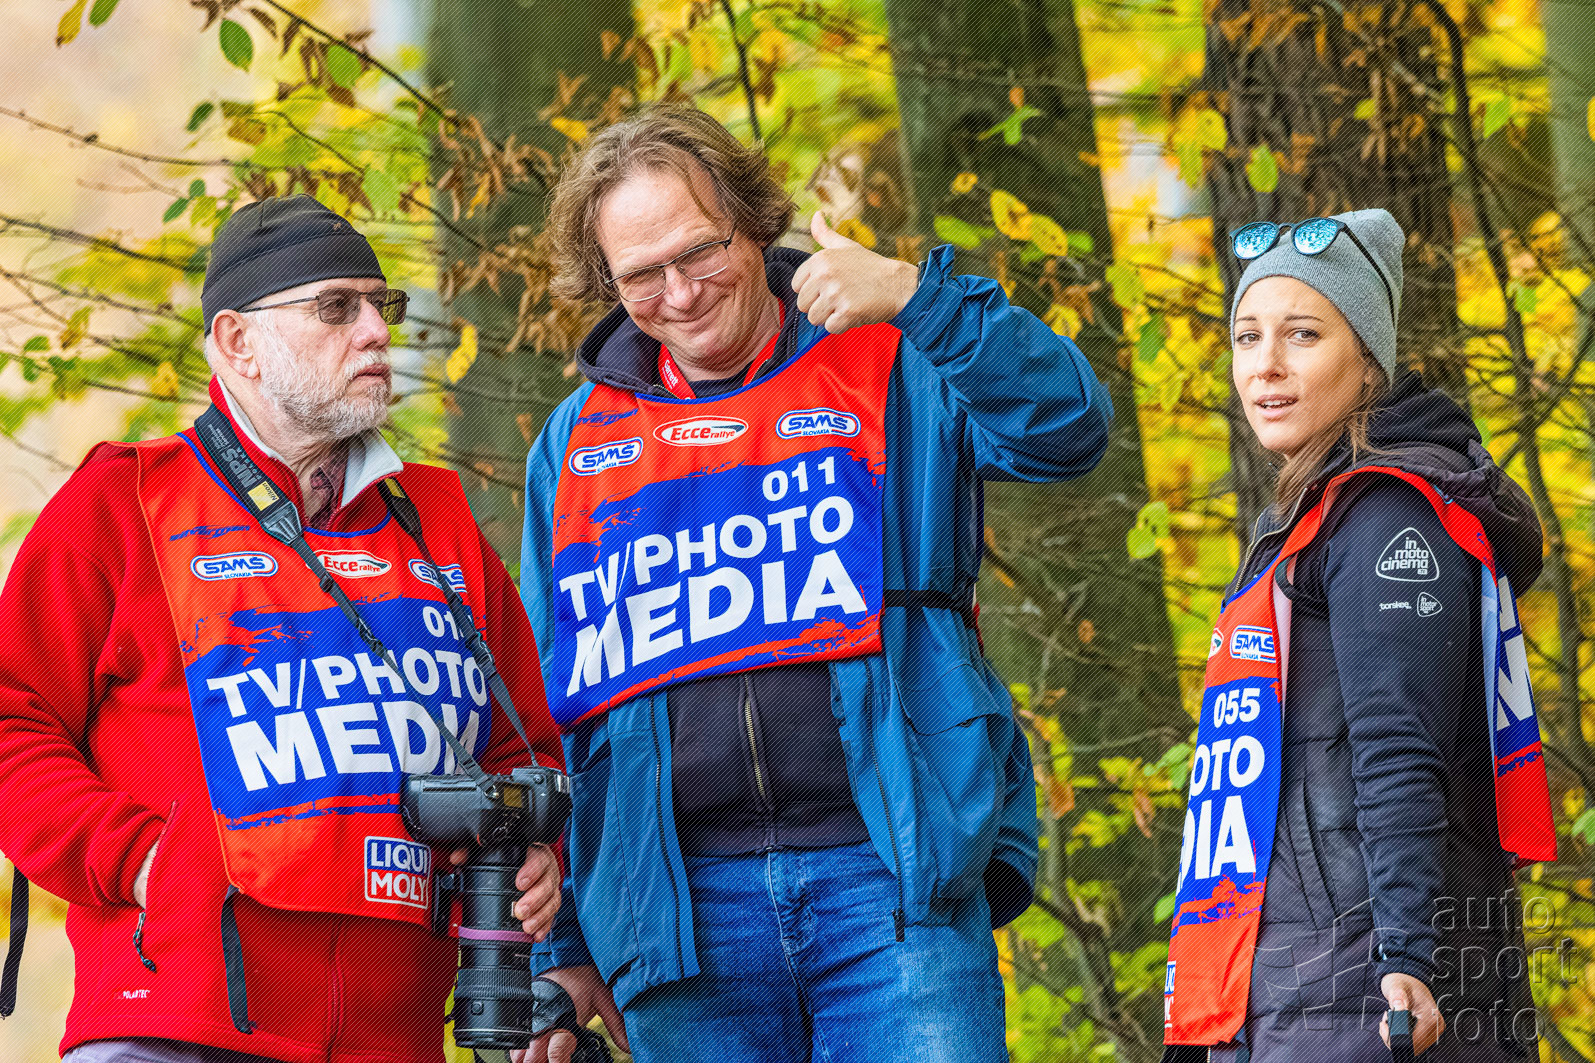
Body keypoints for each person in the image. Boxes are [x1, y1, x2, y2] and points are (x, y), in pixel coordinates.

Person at [515, 105, 1112, 1063]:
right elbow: (554, 703)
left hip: (890, 879)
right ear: (606, 281)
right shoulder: (574, 441)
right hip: (678, 917)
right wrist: (566, 942)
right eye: (641, 275)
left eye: (699, 250)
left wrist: (919, 297)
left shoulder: (893, 358)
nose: (679, 292)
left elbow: (1067, 428)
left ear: (754, 224)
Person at [0, 195, 567, 1063]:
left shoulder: (440, 521)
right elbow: (12, 720)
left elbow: (520, 750)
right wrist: (138, 859)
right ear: (238, 343)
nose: (375, 331)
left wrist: (536, 851)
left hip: (397, 1038)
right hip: (174, 1026)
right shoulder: (124, 502)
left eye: (381, 305)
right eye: (337, 307)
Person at [1161, 209, 1557, 1062]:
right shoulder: (1305, 520)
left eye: (1302, 334)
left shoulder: (1384, 516)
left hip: (1364, 989)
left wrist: (1404, 957)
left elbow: (1397, 745)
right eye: (1246, 336)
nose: (1264, 364)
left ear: (1368, 359)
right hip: (1292, 982)